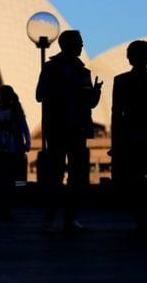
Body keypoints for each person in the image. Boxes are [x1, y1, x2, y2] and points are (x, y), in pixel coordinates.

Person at [36, 30, 102, 232]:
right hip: (57, 128)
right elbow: (40, 95)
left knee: (78, 176)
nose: (82, 46)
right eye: (79, 42)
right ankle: (49, 217)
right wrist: (68, 92)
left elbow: (90, 103)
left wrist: (95, 93)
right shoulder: (50, 68)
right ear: (68, 44)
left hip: (78, 129)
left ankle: (70, 218)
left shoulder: (84, 72)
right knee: (54, 174)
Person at [111, 40, 147, 233]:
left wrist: (115, 141)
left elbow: (116, 113)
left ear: (129, 58)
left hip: (130, 133)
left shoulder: (121, 81)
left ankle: (139, 216)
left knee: (134, 177)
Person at [0, 85, 31, 220]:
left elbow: (24, 128)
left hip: (12, 150)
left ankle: (6, 206)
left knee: (8, 179)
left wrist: (27, 143)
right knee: (1, 179)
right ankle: (4, 206)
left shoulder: (16, 112)